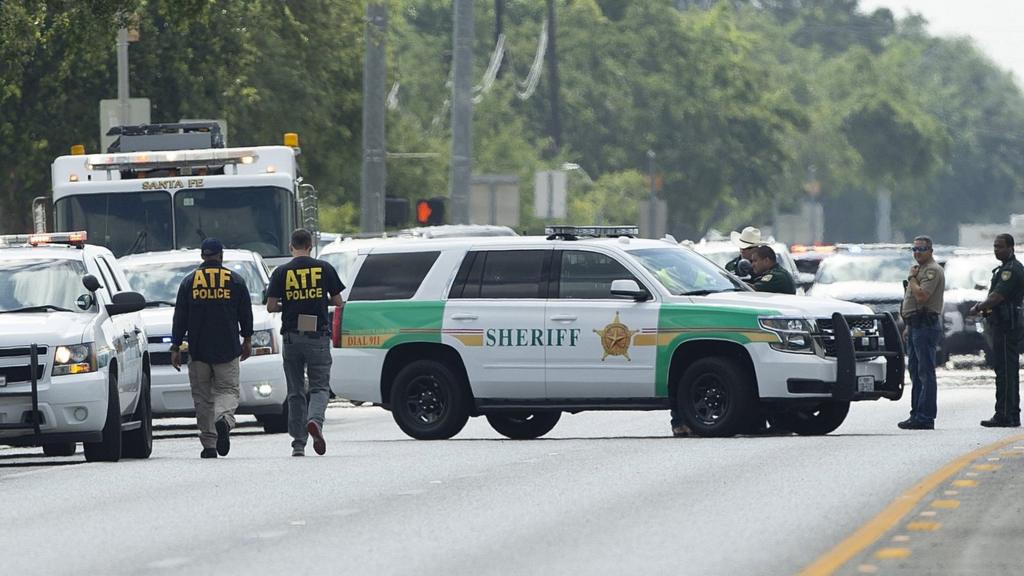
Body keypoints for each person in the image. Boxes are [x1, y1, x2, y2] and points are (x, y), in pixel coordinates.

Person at [171, 238, 253, 458]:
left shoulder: (189, 282)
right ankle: (224, 419)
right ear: (221, 256)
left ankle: (209, 444)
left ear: (202, 256)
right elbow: (245, 313)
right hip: (227, 348)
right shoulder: (235, 280)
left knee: (203, 397)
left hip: (198, 350)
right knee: (227, 390)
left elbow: (180, 317)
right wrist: (247, 339)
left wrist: (175, 345)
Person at [267, 228, 345, 456]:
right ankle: (315, 422)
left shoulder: (281, 272)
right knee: (320, 387)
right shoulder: (324, 268)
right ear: (311, 247)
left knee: (295, 391)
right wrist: (320, 300)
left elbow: (271, 306)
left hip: (291, 336)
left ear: (291, 247)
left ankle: (298, 443)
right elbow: (339, 302)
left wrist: (288, 306)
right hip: (318, 336)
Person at [970, 233, 1024, 428]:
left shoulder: (1011, 270)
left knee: (1007, 371)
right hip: (1001, 324)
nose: (996, 250)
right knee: (1003, 369)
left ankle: (1007, 414)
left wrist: (978, 307)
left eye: (1000, 246)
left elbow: (997, 297)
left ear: (1011, 247)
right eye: (994, 246)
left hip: (1007, 326)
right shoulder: (1003, 269)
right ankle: (1006, 412)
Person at [897, 235, 945, 431]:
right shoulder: (920, 270)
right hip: (916, 325)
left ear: (930, 251)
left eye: (921, 249)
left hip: (926, 326)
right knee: (916, 372)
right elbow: (914, 303)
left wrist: (911, 279)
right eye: (914, 249)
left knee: (926, 372)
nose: (917, 253)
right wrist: (908, 325)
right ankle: (916, 413)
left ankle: (925, 416)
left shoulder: (931, 271)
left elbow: (922, 297)